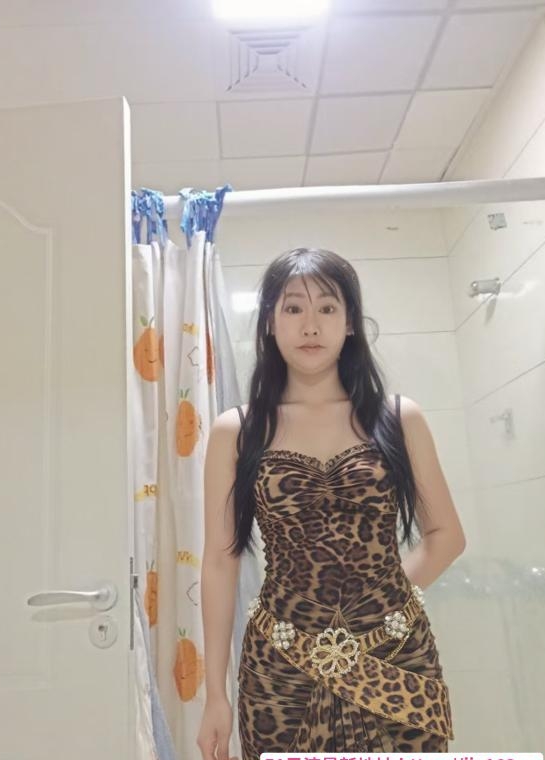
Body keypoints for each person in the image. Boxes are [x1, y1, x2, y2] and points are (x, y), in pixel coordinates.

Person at [197, 248, 466, 760]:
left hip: (394, 653)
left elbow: (447, 537)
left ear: (350, 323)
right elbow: (219, 561)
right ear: (270, 323)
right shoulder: (238, 429)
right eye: (293, 308)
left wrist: (382, 607)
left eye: (327, 307)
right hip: (282, 664)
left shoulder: (399, 418)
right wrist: (215, 694)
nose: (311, 325)